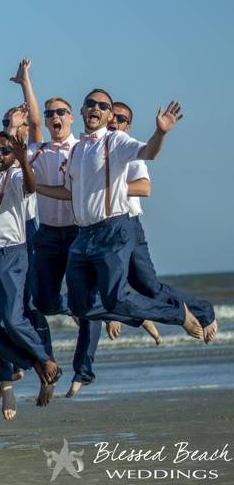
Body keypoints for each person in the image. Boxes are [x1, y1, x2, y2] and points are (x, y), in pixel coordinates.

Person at [36, 91, 203, 338]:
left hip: (111, 230)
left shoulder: (115, 141)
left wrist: (160, 133)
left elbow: (149, 153)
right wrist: (35, 187)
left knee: (116, 298)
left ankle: (179, 314)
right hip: (82, 236)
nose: (96, 108)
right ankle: (144, 314)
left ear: (109, 114)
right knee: (79, 305)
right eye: (91, 103)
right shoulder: (77, 150)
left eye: (103, 106)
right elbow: (68, 192)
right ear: (83, 111)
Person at [0, 131, 61, 420]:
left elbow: (32, 187)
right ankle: (32, 363)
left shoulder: (17, 177)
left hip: (10, 257)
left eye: (5, 151)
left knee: (12, 318)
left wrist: (23, 161)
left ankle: (45, 359)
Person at [110, 102, 217, 342]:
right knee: (125, 288)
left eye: (121, 118)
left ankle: (201, 311)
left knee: (149, 288)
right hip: (103, 227)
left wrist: (106, 188)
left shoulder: (128, 150)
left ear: (128, 126)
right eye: (112, 116)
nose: (114, 121)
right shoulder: (96, 148)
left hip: (128, 224)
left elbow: (144, 187)